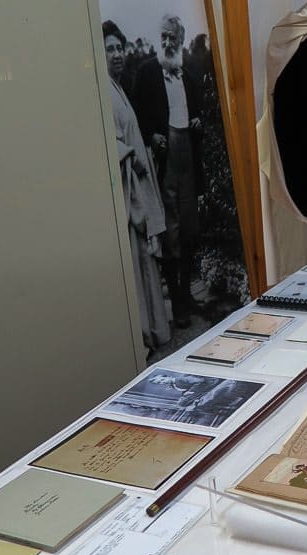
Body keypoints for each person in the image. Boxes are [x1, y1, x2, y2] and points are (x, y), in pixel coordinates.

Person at [132, 14, 204, 327]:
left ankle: (186, 294)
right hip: (164, 163)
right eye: (163, 36)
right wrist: (152, 135)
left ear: (180, 39)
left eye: (173, 37)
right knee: (171, 231)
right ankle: (178, 305)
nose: (167, 42)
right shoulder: (147, 72)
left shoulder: (187, 76)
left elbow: (196, 113)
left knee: (189, 230)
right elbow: (137, 118)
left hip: (188, 157)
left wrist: (198, 123)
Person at [103, 20, 171, 352]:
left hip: (137, 181)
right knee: (136, 263)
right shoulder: (101, 91)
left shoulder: (116, 87)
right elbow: (108, 142)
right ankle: (142, 336)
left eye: (119, 48)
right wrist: (133, 155)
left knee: (146, 260)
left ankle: (155, 331)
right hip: (126, 188)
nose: (116, 55)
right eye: (109, 49)